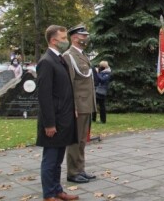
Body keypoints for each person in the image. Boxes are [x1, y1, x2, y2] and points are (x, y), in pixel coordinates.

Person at [36, 25, 78, 201]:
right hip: (54, 120)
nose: (66, 41)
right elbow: (44, 96)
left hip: (64, 117)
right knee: (50, 159)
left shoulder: (59, 59)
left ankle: (57, 189)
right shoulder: (46, 61)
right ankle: (49, 194)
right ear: (53, 40)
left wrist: (72, 108)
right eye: (63, 38)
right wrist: (49, 123)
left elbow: (64, 90)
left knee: (58, 158)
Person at [63, 25, 97, 184]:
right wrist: (73, 106)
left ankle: (80, 169)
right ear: (74, 37)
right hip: (79, 105)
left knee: (82, 139)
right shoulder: (69, 56)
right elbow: (68, 84)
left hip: (87, 103)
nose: (86, 38)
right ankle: (72, 172)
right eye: (83, 36)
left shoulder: (82, 55)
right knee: (75, 140)